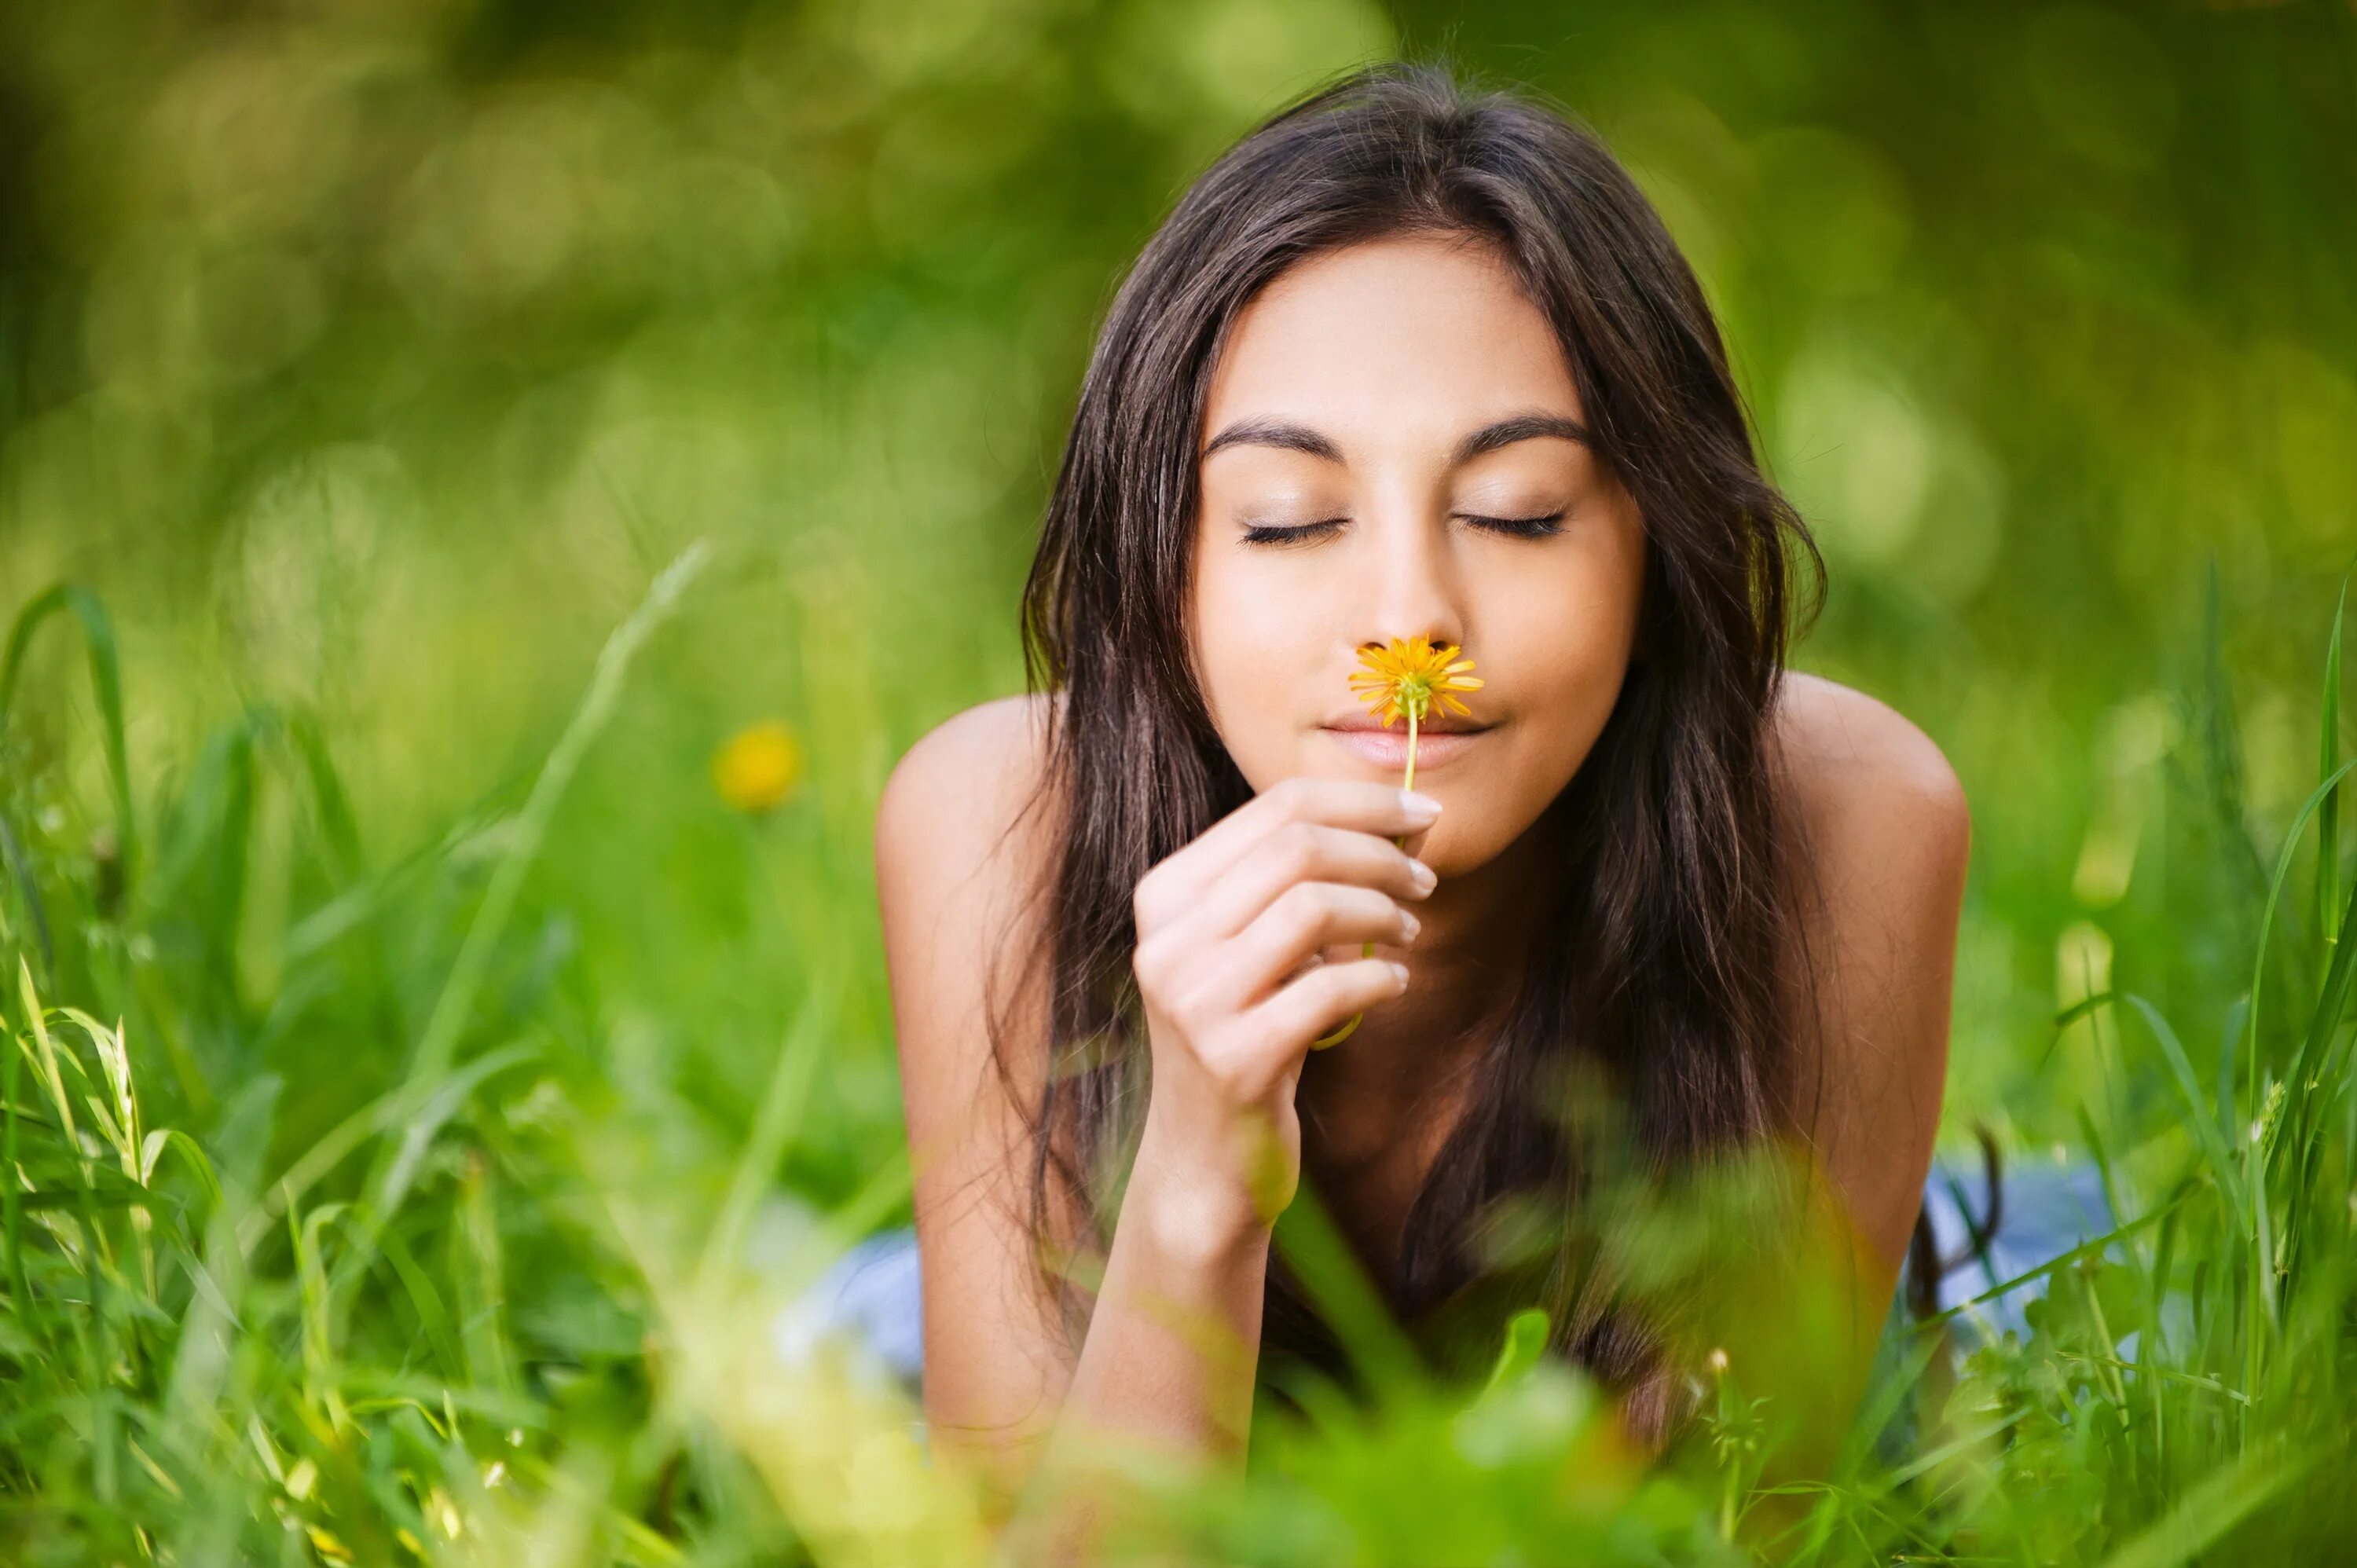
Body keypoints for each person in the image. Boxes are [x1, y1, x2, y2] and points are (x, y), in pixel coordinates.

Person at [871, 58, 1970, 1549]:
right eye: (1287, 519)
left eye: (1519, 511)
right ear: (1164, 563)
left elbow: (1719, 1524)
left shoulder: (1853, 817)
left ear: (1659, 550)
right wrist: (1196, 1177)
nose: (1410, 615)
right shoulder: (997, 817)